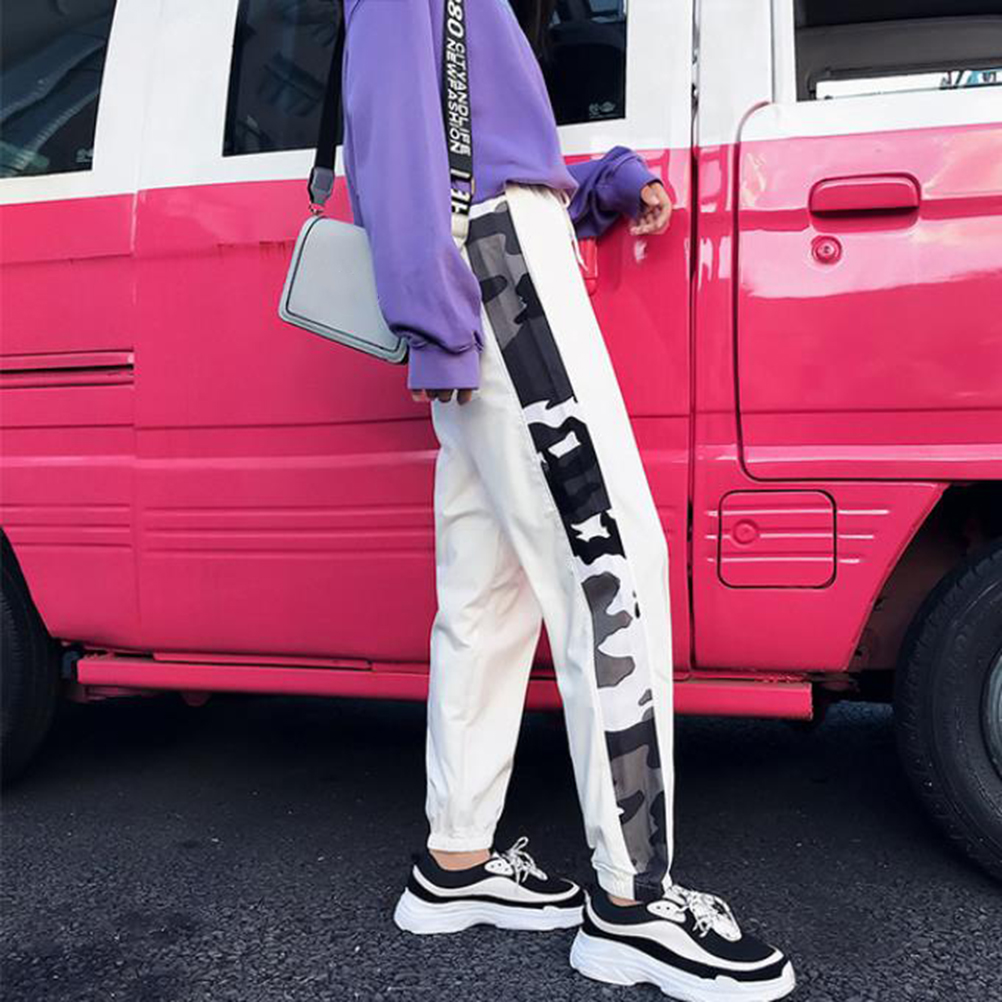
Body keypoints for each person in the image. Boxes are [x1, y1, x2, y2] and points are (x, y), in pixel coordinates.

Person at [338, 2, 795, 999]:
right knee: (611, 563)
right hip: (497, 271)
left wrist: (597, 185)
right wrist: (433, 318)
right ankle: (634, 905)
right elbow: (396, 126)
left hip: (488, 266)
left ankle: (456, 862)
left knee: (490, 587)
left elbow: (480, 143)